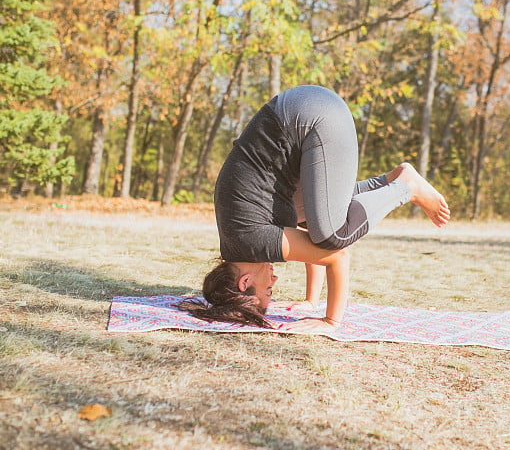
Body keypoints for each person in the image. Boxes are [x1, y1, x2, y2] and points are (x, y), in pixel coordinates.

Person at [182, 85, 450, 332]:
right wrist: (311, 302)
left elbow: (335, 256)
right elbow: (306, 234)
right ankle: (387, 181)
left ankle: (406, 187)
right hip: (305, 108)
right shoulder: (237, 239)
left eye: (267, 292)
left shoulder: (252, 242)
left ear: (244, 282)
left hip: (313, 119)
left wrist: (330, 320)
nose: (273, 284)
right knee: (316, 218)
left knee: (333, 236)